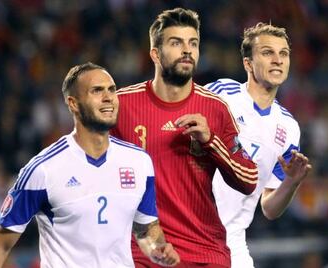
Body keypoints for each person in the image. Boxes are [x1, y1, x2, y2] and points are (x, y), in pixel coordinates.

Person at [0, 62, 180, 268]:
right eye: (97, 91)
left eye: (111, 90)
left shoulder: (139, 162)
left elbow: (145, 229)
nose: (108, 97)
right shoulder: (43, 169)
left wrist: (157, 248)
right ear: (73, 103)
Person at [111, 8, 258, 268]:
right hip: (143, 254)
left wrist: (211, 141)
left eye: (193, 43)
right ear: (155, 54)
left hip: (205, 252)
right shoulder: (121, 106)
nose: (187, 50)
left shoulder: (215, 108)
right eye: (176, 43)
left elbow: (249, 180)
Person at [205, 23, 312, 267]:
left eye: (283, 53)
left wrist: (292, 182)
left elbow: (270, 208)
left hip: (233, 244)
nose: (277, 60)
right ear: (248, 63)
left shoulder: (288, 127)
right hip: (188, 234)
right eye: (267, 52)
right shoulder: (221, 94)